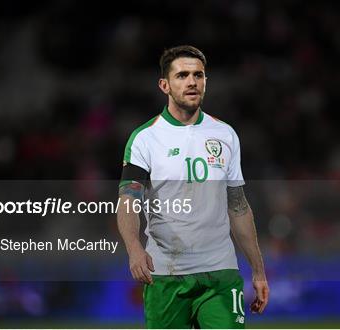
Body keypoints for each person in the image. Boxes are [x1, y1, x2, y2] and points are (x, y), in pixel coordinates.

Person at [117, 45, 269, 328]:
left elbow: (238, 206)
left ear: (205, 82)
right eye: (182, 75)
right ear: (165, 85)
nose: (191, 82)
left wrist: (258, 270)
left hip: (220, 273)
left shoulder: (225, 135)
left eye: (198, 75)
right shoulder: (145, 139)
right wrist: (134, 248)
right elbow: (128, 201)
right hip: (166, 274)